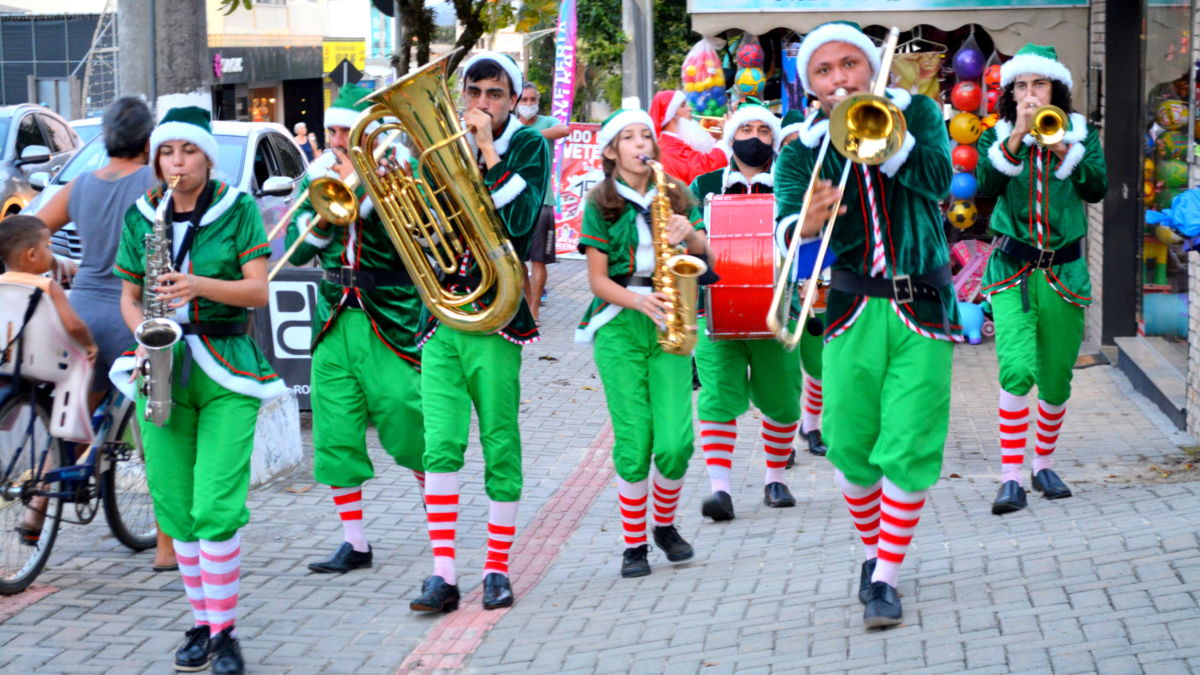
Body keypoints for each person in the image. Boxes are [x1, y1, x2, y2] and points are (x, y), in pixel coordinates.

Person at [775, 21, 959, 629]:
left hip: (922, 305)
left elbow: (938, 181)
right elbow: (783, 229)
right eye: (823, 72)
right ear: (810, 87)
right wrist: (803, 222)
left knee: (908, 443)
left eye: (848, 65)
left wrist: (888, 138)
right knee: (851, 444)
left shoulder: (920, 116)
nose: (838, 79)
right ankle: (874, 552)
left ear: (870, 67)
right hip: (852, 308)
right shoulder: (802, 148)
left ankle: (885, 578)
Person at [110, 106, 286, 674]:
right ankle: (202, 624)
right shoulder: (142, 214)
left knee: (215, 504)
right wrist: (142, 331)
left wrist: (198, 285)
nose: (177, 163)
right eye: (166, 152)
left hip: (228, 365)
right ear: (156, 158)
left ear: (207, 156)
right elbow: (129, 296)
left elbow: (258, 292)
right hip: (160, 363)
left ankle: (226, 633)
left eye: (187, 151)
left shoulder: (236, 210)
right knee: (175, 506)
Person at [410, 52, 549, 614]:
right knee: (440, 445)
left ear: (514, 100)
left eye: (495, 94)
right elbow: (421, 224)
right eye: (475, 92)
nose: (483, 104)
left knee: (499, 444)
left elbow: (518, 224)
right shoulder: (442, 147)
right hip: (442, 315)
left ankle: (495, 569)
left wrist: (489, 153)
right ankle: (443, 574)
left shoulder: (530, 147)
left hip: (497, 317)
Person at [283, 85, 428, 574]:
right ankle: (355, 543)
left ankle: (440, 524)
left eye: (347, 130)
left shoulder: (398, 175)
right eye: (333, 131)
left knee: (408, 417)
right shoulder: (318, 178)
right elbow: (295, 250)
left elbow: (422, 238)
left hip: (386, 314)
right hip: (331, 316)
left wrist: (364, 193)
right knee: (336, 432)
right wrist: (326, 213)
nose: (338, 140)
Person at [29, 96, 178, 571]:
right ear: (147, 141)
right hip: (130, 315)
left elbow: (32, 229)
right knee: (158, 431)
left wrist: (59, 264)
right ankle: (165, 548)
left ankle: (35, 510)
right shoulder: (157, 182)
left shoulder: (79, 186)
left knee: (74, 417)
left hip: (82, 311)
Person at [976, 45, 1108, 515]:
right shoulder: (997, 135)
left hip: (1064, 270)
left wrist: (1062, 148)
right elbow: (985, 187)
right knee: (1017, 369)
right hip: (1012, 270)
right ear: (1011, 93)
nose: (1030, 94)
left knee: (1056, 378)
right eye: (1021, 86)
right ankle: (1011, 476)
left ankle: (1043, 464)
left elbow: (1096, 187)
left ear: (1057, 89)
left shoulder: (1081, 135)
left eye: (1039, 84)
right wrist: (1015, 136)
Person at [575, 109, 707, 578]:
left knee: (674, 442)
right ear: (611, 151)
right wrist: (636, 300)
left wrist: (689, 233)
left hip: (672, 315)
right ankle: (634, 545)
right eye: (628, 137)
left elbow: (707, 255)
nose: (639, 143)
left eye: (645, 135)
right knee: (635, 440)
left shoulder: (674, 193)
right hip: (619, 322)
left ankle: (665, 525)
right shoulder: (599, 201)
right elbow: (595, 280)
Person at [689, 103, 823, 522]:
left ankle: (774, 477)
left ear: (774, 139)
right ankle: (721, 490)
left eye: (763, 131)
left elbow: (808, 242)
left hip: (776, 309)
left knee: (783, 402)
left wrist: (809, 279)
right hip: (712, 311)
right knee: (716, 398)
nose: (753, 137)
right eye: (744, 129)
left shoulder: (789, 183)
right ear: (730, 138)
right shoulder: (703, 184)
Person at [0, 215, 97, 361]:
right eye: (47, 246)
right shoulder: (48, 286)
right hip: (46, 360)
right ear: (32, 255)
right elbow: (73, 326)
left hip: (7, 357)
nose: (50, 252)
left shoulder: (2, 284)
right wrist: (89, 344)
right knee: (81, 369)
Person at [516, 82, 569, 323]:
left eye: (532, 99)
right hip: (515, 202)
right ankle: (526, 306)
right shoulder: (510, 125)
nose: (528, 104)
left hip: (543, 201)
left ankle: (535, 309)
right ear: (516, 102)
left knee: (539, 259)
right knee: (517, 260)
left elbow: (564, 130)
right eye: (524, 99)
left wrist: (529, 136)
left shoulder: (546, 122)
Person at [648, 90, 730, 186]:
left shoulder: (674, 141)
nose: (690, 108)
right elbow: (703, 168)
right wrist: (727, 137)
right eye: (683, 105)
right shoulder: (669, 147)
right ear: (670, 115)